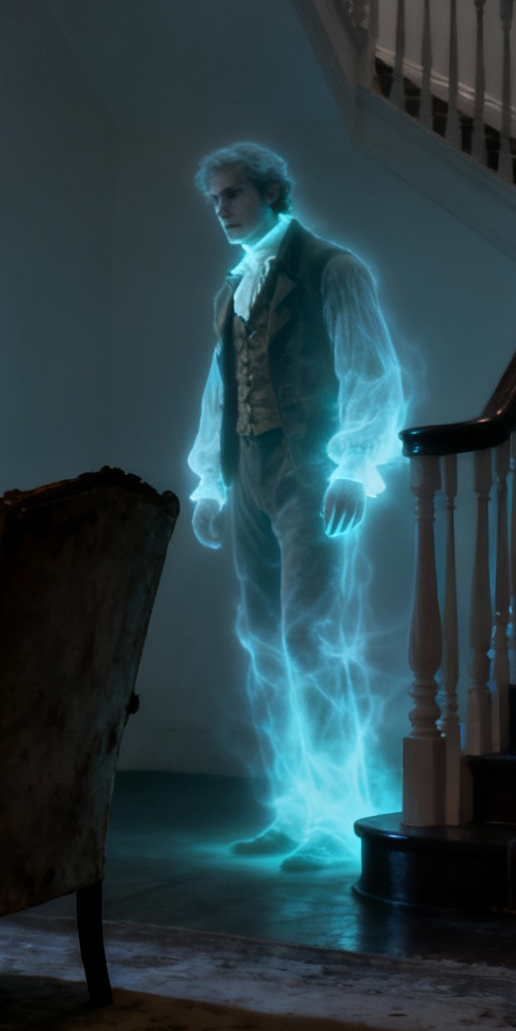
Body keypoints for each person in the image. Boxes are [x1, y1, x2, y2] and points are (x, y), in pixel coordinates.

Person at [186, 143, 406, 872]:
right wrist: (211, 482)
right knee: (263, 641)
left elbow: (371, 372)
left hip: (307, 469)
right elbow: (219, 392)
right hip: (247, 467)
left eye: (234, 195)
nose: (222, 210)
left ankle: (334, 819)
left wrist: (353, 465)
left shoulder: (331, 269)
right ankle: (292, 807)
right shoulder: (233, 287)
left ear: (272, 193)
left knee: (310, 639)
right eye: (216, 198)